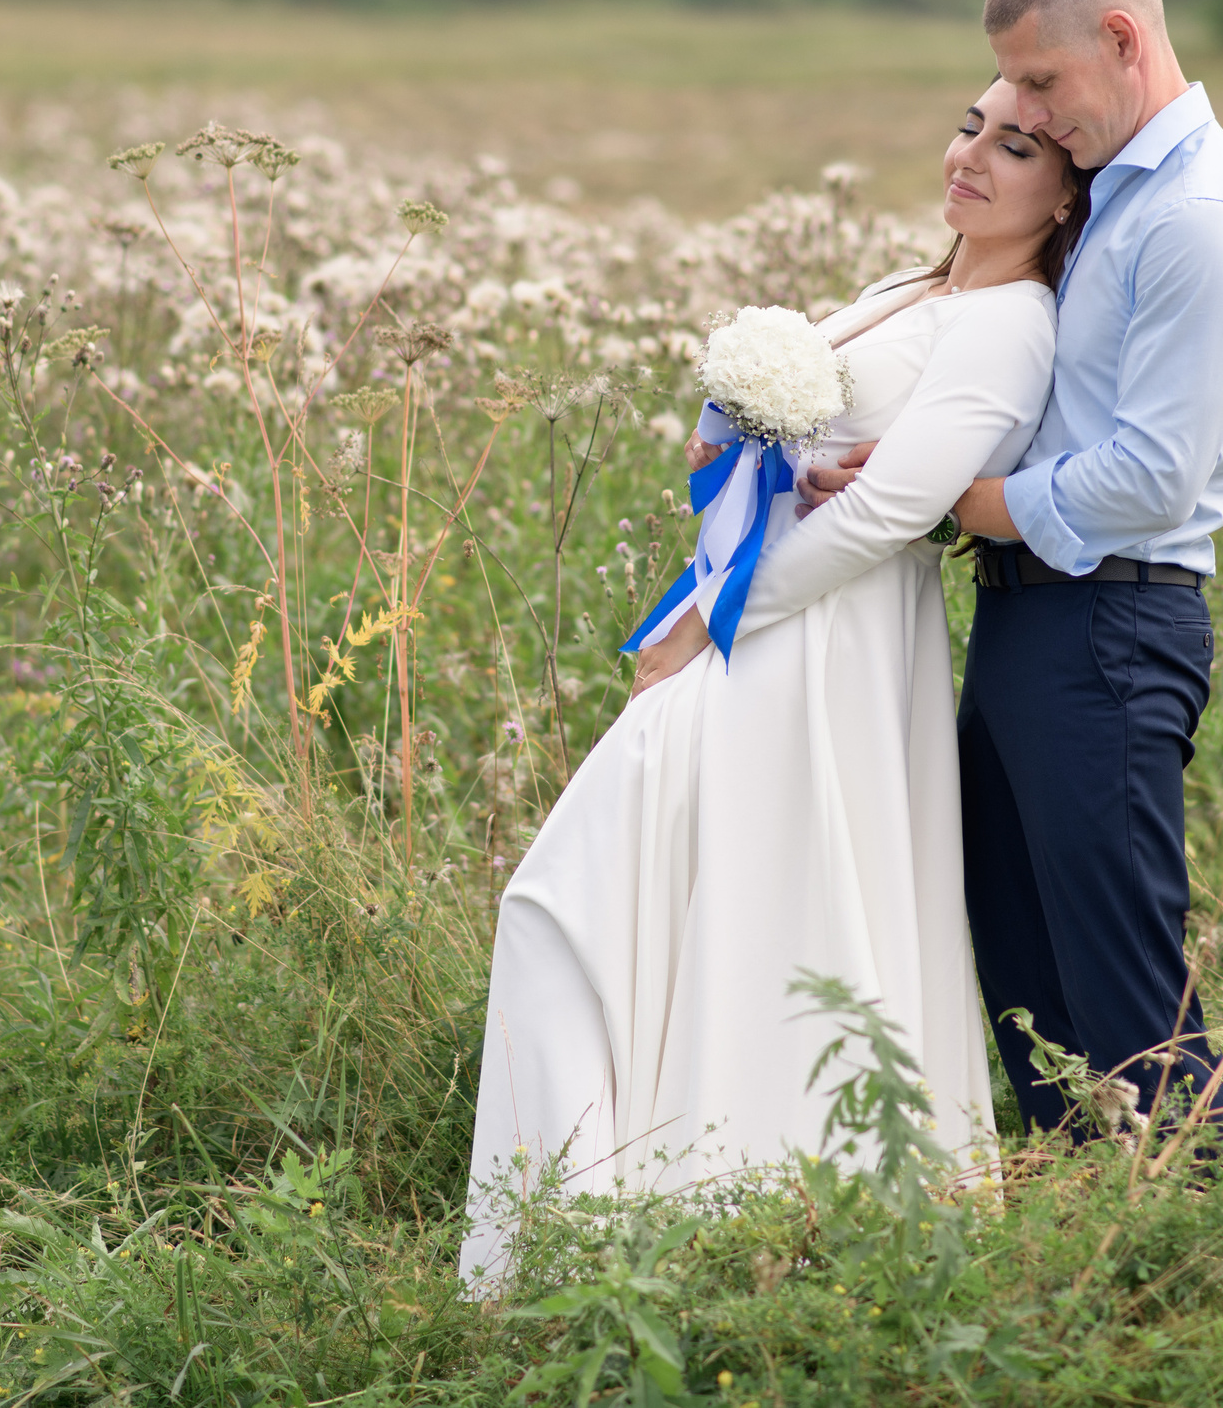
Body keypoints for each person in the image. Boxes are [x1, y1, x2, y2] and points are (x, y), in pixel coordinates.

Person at [457, 77, 1081, 1287]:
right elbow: (806, 453)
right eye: (969, 125)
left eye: (1016, 148)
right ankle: (598, 1230)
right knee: (670, 899)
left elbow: (892, 511)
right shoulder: (916, 287)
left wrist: (702, 625)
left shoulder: (1010, 325)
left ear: (1065, 196)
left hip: (813, 646)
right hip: (774, 630)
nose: (973, 158)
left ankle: (702, 1216)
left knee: (594, 899)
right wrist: (732, 437)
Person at [799, 0, 1223, 1140]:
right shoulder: (1119, 198)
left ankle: (1208, 1246)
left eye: (1038, 83)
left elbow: (1150, 477)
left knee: (1124, 992)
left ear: (1120, 41)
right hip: (1033, 617)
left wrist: (945, 503)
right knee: (1024, 978)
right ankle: (1089, 1230)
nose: (1022, 109)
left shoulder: (1198, 222)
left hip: (1113, 627)